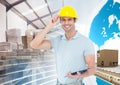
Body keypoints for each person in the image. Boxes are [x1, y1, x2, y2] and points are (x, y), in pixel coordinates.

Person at [30, 6, 96, 85]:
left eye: (69, 19)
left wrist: (81, 75)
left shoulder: (85, 42)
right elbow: (34, 45)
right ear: (60, 22)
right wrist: (50, 25)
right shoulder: (57, 40)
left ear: (75, 20)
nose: (66, 23)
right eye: (63, 20)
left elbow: (92, 69)